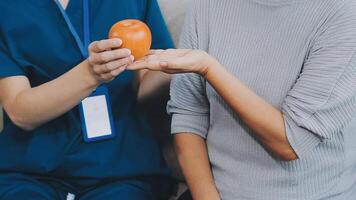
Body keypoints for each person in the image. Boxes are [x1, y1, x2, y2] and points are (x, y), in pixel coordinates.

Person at [127, 0, 356, 199]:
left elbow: (291, 141)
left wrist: (209, 68)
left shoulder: (344, 14)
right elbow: (187, 115)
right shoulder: (207, 6)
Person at [0, 0, 174, 199]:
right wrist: (91, 74)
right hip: (29, 171)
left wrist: (178, 69)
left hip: (121, 169)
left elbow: (147, 83)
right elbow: (20, 111)